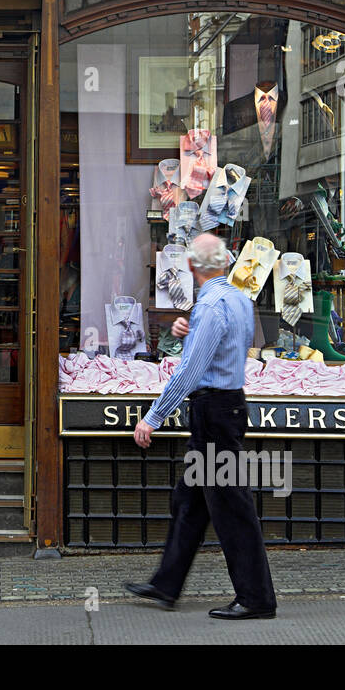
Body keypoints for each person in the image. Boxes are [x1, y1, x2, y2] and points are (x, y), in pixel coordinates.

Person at [124, 232, 278, 620]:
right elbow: (227, 349)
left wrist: (153, 415)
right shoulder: (240, 300)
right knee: (189, 502)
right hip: (226, 409)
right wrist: (191, 334)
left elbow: (191, 370)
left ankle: (256, 598)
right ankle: (166, 584)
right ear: (225, 262)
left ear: (192, 267)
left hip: (213, 413)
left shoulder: (210, 307)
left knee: (231, 507)